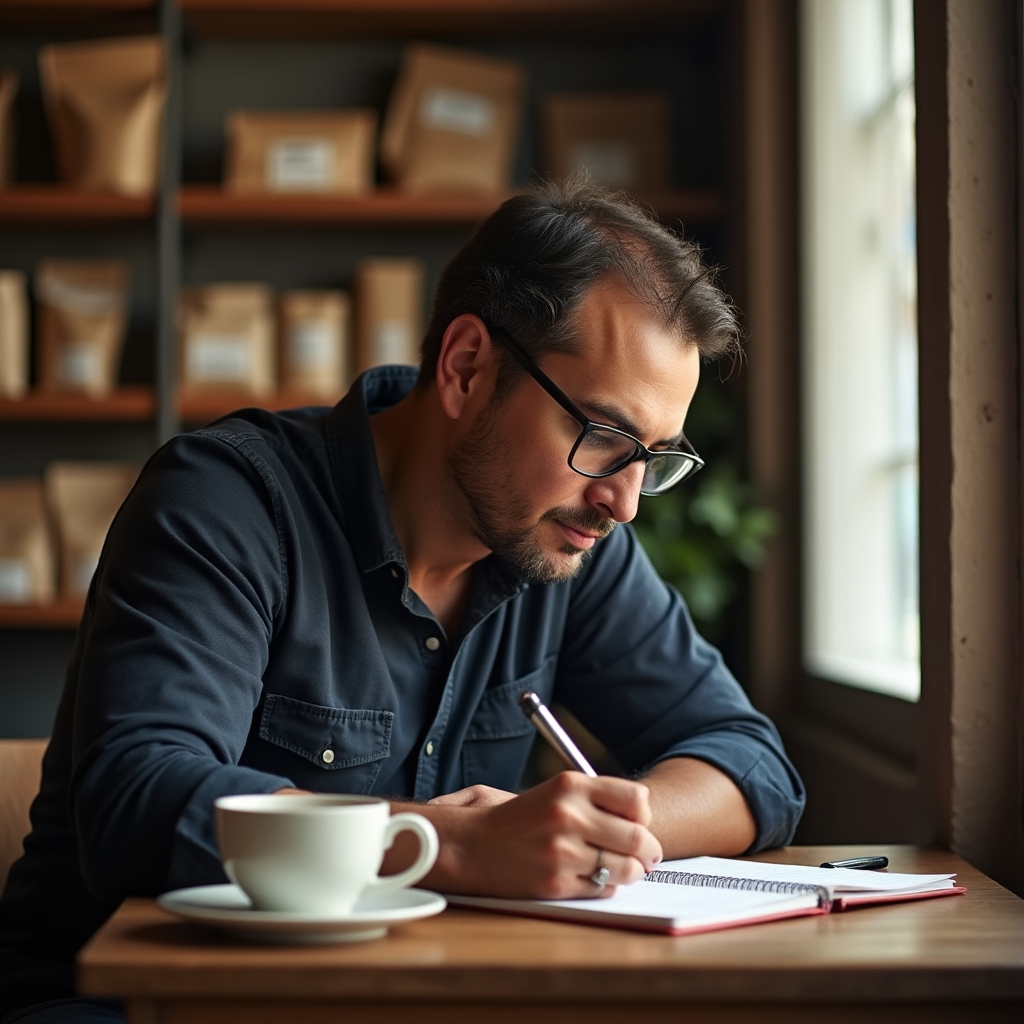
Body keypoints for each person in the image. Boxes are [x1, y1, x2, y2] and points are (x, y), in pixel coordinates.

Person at [0, 180, 804, 1024]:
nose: (626, 502)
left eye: (655, 457)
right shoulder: (226, 502)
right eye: (603, 437)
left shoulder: (569, 542)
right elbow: (137, 799)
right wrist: (450, 844)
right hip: (132, 1004)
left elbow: (752, 763)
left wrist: (605, 832)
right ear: (466, 367)